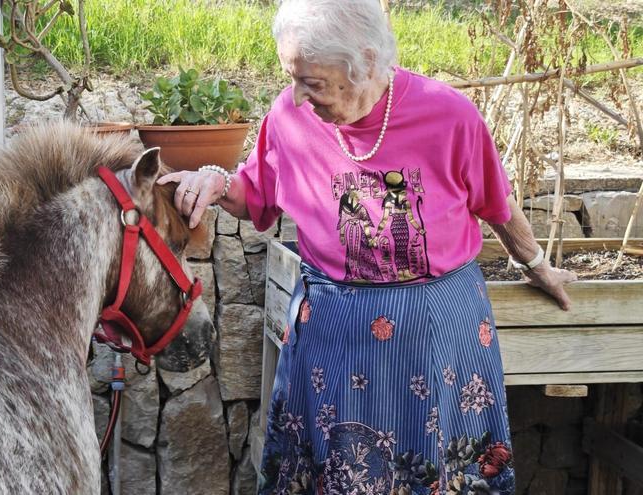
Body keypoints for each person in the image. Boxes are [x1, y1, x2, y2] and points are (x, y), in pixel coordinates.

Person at [157, 0, 576, 493]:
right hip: (335, 335)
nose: (296, 95)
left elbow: (496, 201)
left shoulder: (448, 114)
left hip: (437, 334)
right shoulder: (290, 117)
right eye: (292, 76)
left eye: (312, 81)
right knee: (342, 469)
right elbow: (256, 196)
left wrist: (536, 264)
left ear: (367, 61)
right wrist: (211, 180)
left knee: (440, 470)